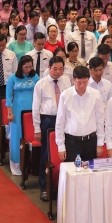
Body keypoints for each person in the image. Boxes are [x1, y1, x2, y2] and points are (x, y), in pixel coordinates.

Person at [32, 56, 70, 200]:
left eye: (61, 69)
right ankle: (44, 187)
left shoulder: (66, 81)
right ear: (49, 67)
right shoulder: (41, 84)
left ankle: (61, 185)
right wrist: (37, 128)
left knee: (63, 152)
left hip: (65, 120)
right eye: (55, 68)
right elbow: (35, 108)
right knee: (47, 154)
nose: (58, 72)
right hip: (48, 120)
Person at [54, 65, 105, 163]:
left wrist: (100, 143)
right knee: (72, 173)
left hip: (91, 141)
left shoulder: (95, 94)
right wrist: (61, 146)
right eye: (79, 82)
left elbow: (100, 119)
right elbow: (60, 122)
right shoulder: (65, 95)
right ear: (73, 80)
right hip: (72, 142)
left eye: (85, 82)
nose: (82, 86)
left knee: (90, 173)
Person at [5, 54, 38, 176]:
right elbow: (8, 96)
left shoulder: (35, 77)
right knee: (17, 135)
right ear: (20, 67)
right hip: (18, 109)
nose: (28, 69)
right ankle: (16, 163)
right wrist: (9, 112)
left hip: (32, 109)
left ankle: (31, 163)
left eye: (30, 67)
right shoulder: (13, 78)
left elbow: (39, 92)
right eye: (26, 67)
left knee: (31, 135)